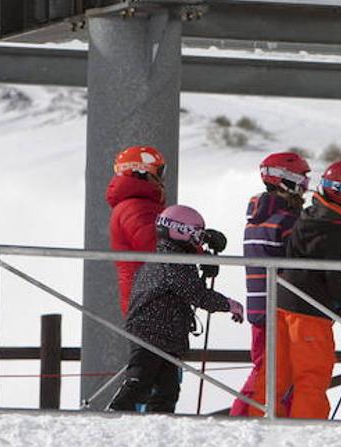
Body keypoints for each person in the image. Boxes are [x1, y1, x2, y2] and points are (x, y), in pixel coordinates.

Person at [249, 160, 341, 419]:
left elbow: (296, 259)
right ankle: (308, 431)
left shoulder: (308, 213)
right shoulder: (339, 228)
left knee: (275, 374)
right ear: (338, 191)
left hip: (282, 305)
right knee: (311, 376)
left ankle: (262, 424)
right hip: (309, 314)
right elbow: (335, 278)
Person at [108, 205, 243, 412]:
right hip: (150, 334)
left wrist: (204, 259)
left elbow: (186, 286)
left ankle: (159, 424)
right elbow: (195, 293)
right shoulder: (172, 263)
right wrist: (228, 304)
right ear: (180, 231)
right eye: (196, 235)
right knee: (140, 381)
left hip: (165, 336)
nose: (198, 242)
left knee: (168, 389)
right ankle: (115, 413)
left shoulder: (169, 258)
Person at [230, 151, 312, 417]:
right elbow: (298, 265)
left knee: (269, 371)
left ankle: (264, 418)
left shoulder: (258, 217)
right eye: (301, 179)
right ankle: (243, 420)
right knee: (272, 374)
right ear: (284, 180)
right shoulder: (287, 220)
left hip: (261, 308)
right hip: (280, 310)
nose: (304, 186)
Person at [107, 145, 166, 316]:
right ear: (142, 173)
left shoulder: (138, 205)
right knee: (155, 344)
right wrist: (195, 246)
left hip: (150, 297)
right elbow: (157, 248)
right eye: (160, 172)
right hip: (149, 301)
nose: (162, 179)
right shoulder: (135, 208)